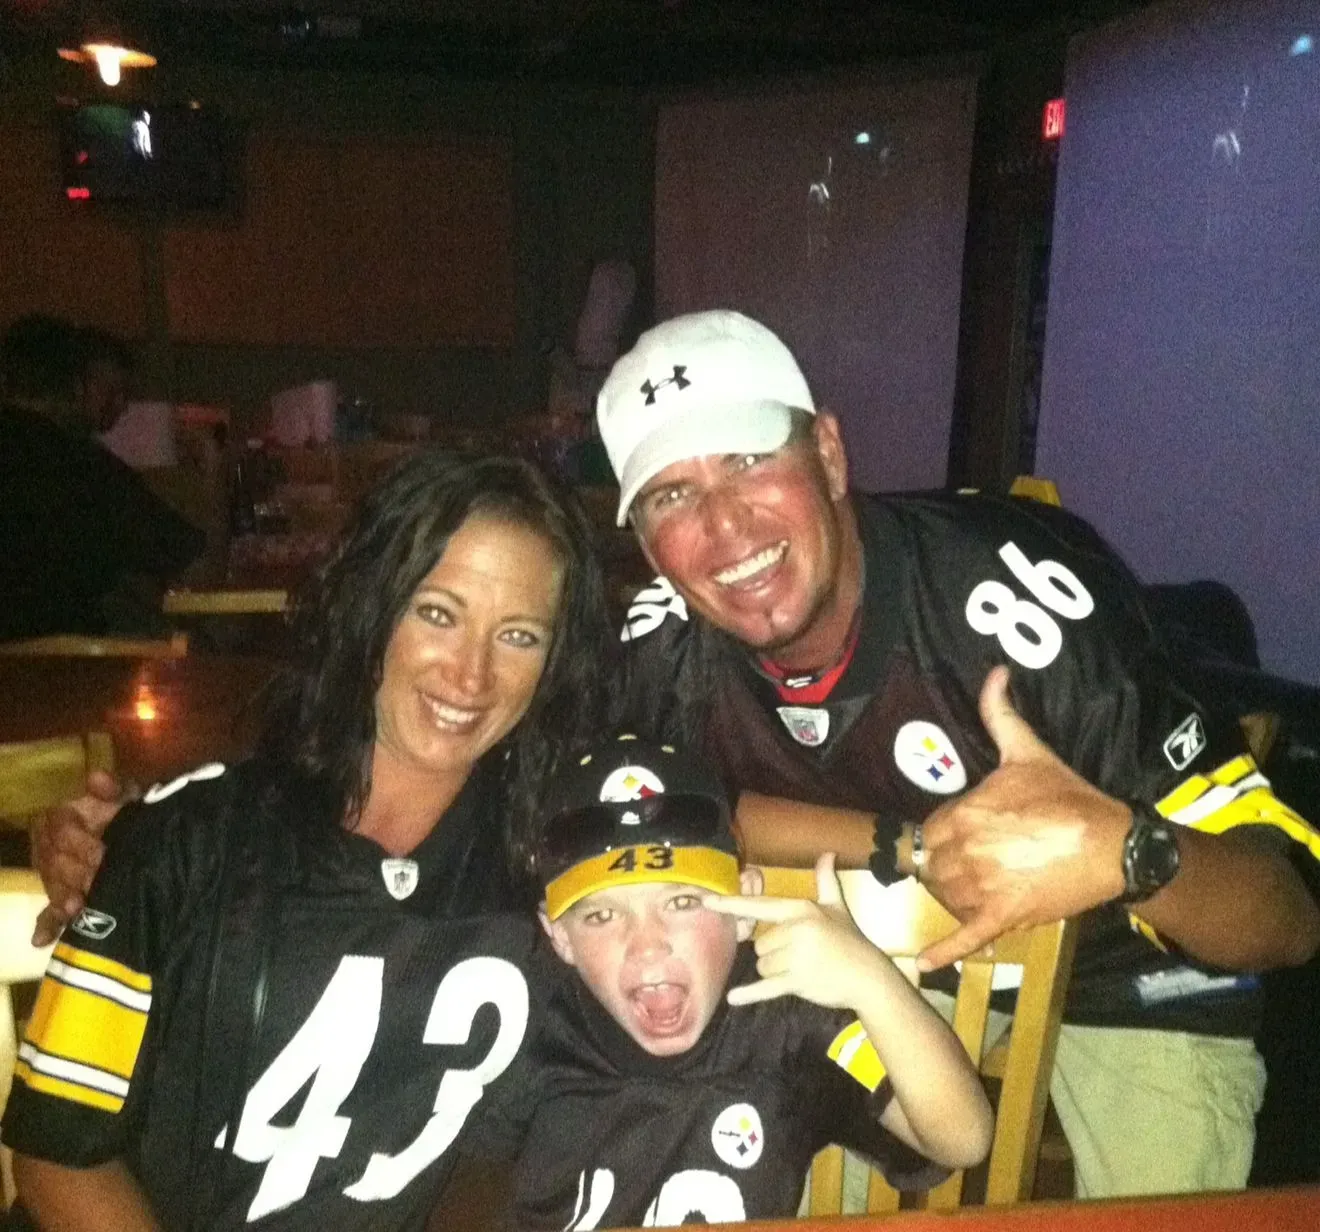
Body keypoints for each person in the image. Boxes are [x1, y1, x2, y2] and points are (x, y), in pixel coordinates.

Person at [593, 310, 1320, 1198]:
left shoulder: (1032, 611)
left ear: (828, 453)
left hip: (1134, 981)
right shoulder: (658, 653)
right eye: (671, 495)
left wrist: (1121, 849)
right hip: (888, 960)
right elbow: (660, 809)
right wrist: (909, 845)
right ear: (645, 545)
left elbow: (1289, 917)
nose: (723, 523)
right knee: (775, 1171)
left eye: (749, 460)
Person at [3, 450, 614, 1231]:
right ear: (373, 605)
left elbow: (494, 1158)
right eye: (437, 612)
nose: (471, 675)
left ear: (557, 661)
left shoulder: (549, 888)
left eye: (520, 635)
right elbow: (59, 1152)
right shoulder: (190, 837)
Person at [479, 733, 991, 1228]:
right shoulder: (525, 1021)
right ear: (558, 936)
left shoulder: (784, 1021)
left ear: (744, 907)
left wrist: (871, 981)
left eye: (682, 901)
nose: (648, 943)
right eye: (601, 916)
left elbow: (963, 1139)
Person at [0, 314, 211, 639]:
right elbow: (188, 555)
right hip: (76, 671)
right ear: (77, 386)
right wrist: (214, 473)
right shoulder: (83, 467)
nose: (120, 405)